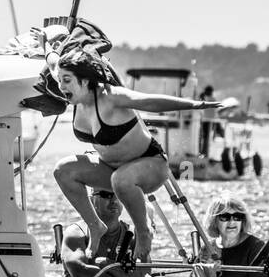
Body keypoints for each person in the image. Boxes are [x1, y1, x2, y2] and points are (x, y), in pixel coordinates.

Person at [53, 56, 226, 261]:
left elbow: (150, 101)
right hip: (113, 168)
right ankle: (95, 226)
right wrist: (46, 44)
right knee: (63, 170)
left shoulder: (110, 96)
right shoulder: (76, 99)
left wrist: (196, 105)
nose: (60, 85)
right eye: (59, 79)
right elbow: (52, 60)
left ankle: (143, 232)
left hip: (151, 165)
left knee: (121, 179)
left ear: (84, 80)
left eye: (66, 80)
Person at [61, 188, 133, 277]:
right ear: (91, 201)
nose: (115, 200)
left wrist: (105, 264)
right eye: (106, 194)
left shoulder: (134, 234)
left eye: (119, 195)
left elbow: (145, 275)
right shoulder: (76, 233)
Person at [199, 196, 269, 277]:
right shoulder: (207, 249)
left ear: (243, 221)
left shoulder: (256, 247)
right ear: (214, 221)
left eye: (237, 217)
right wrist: (208, 273)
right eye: (225, 217)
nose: (232, 222)